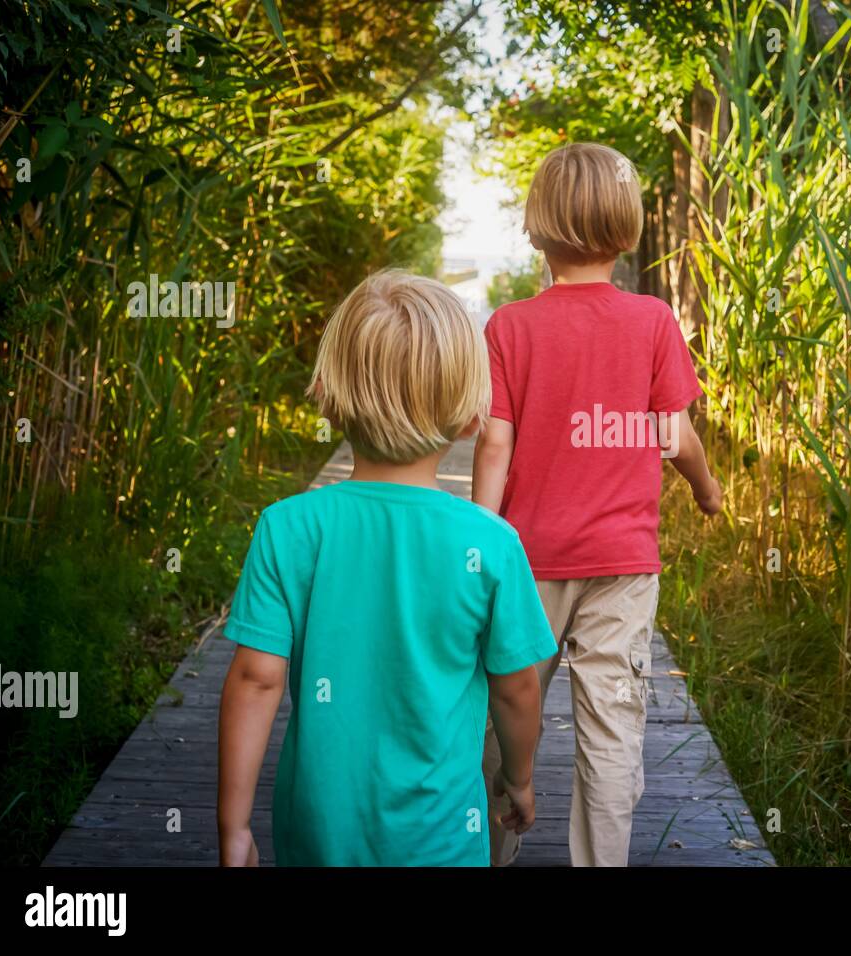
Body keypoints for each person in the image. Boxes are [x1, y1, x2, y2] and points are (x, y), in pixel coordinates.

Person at [218, 270, 556, 866]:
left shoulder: (289, 527)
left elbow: (256, 679)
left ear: (328, 392)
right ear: (469, 417)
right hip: (444, 836)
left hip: (319, 834)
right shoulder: (492, 543)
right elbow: (518, 687)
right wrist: (519, 777)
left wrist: (234, 826)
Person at [474, 143, 723, 867]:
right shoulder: (651, 321)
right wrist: (706, 491)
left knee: (501, 711)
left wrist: (482, 544)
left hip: (525, 564)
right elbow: (675, 437)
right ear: (627, 227)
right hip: (621, 568)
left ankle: (491, 853)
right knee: (612, 732)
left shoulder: (509, 327)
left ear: (536, 229)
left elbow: (494, 447)